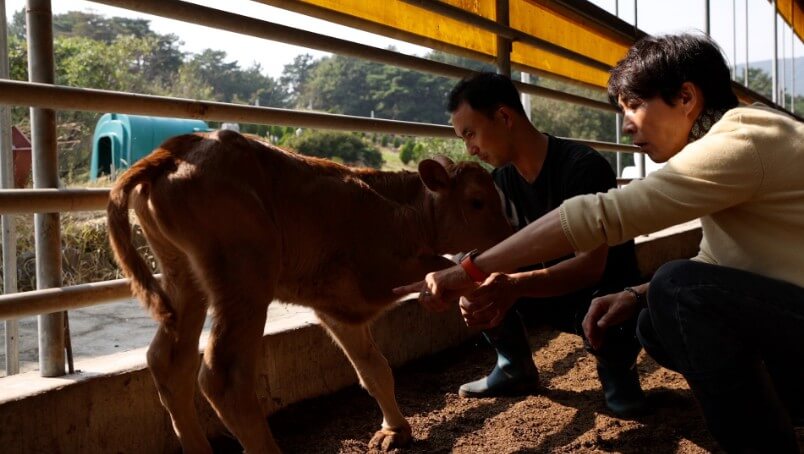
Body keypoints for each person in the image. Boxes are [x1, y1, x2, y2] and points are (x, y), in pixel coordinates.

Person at [396, 34, 804, 453]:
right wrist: (634, 295)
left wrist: (468, 271)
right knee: (655, 316)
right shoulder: (736, 144)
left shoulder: (740, 140)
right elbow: (719, 263)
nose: (626, 125)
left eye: (634, 107)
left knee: (677, 290)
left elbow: (604, 215)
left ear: (685, 97)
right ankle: (788, 406)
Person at [438, 72, 646, 417]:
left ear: (504, 117)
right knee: (473, 274)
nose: (470, 148)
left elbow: (590, 267)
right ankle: (512, 366)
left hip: (599, 295)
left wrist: (514, 286)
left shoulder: (583, 167)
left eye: (470, 133)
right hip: (543, 291)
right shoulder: (500, 182)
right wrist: (465, 278)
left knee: (611, 313)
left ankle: (618, 371)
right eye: (463, 139)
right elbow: (481, 254)